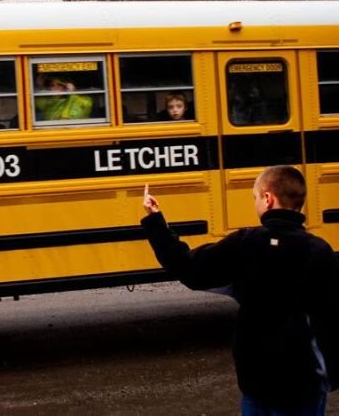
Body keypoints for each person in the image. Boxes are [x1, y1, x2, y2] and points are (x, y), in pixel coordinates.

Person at [141, 166, 338, 415]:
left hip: (259, 383)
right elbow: (331, 319)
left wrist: (155, 220)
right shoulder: (320, 251)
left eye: (255, 198)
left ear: (268, 198)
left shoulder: (246, 243)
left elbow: (188, 269)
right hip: (306, 384)